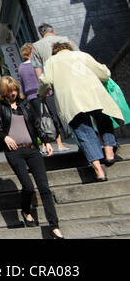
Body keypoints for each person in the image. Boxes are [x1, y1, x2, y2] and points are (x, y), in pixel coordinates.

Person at [0, 75, 61, 238]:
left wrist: (45, 141)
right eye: (10, 90)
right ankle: (26, 210)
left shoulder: (25, 104)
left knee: (44, 188)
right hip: (14, 152)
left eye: (15, 90)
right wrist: (4, 136)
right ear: (3, 91)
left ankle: (54, 226)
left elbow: (36, 123)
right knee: (28, 187)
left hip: (32, 149)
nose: (13, 93)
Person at [41, 42, 122, 182]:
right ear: (69, 49)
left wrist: (41, 93)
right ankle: (109, 153)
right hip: (94, 95)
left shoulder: (51, 61)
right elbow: (103, 74)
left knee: (84, 132)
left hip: (72, 101)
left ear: (55, 52)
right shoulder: (81, 55)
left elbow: (46, 81)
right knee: (104, 120)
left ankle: (99, 171)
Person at [18, 42, 66, 151]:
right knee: (52, 117)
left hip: (31, 97)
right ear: (32, 51)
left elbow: (22, 84)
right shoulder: (36, 64)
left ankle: (44, 145)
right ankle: (59, 144)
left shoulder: (21, 67)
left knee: (39, 120)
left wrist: (25, 96)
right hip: (44, 94)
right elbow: (44, 79)